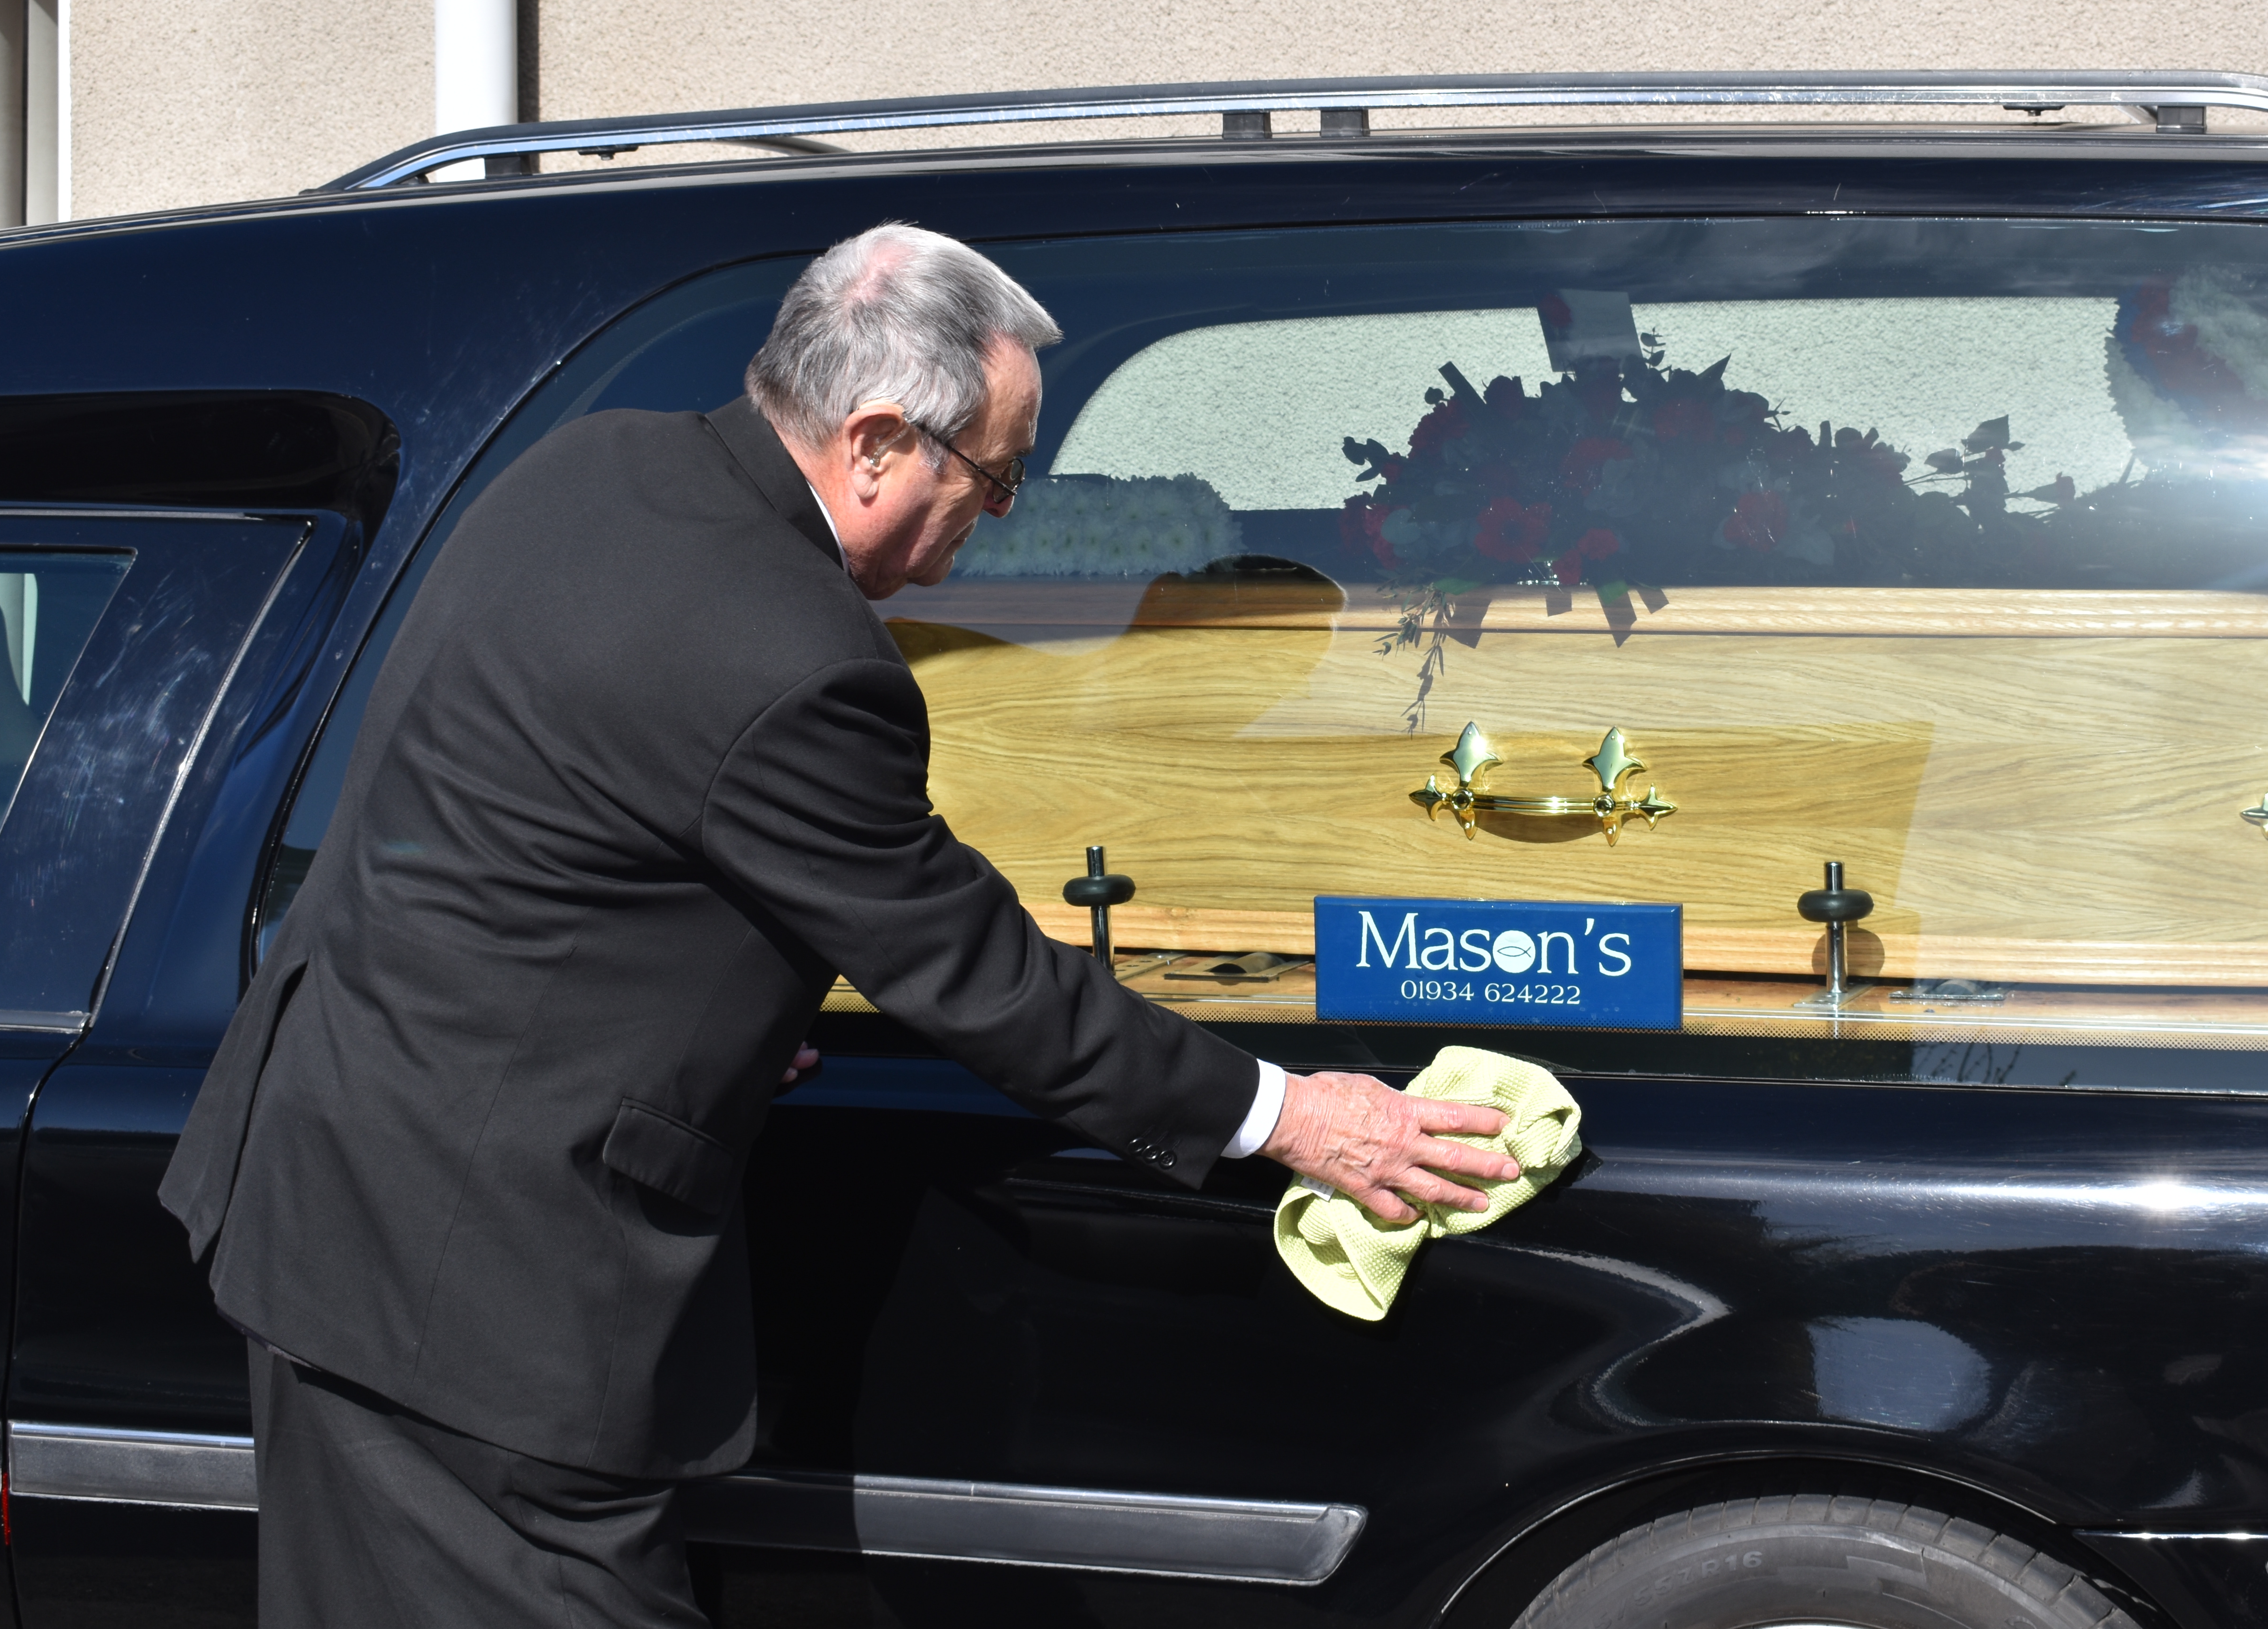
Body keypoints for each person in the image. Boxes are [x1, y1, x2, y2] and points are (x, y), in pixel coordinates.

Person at [159, 222, 1518, 1628]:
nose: (995, 516)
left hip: (330, 1190)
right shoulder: (794, 660)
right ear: (876, 443)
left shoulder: (593, 467)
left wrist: (722, 1003)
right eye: (992, 475)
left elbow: (522, 822)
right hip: (479, 1294)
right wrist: (1291, 1118)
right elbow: (981, 978)